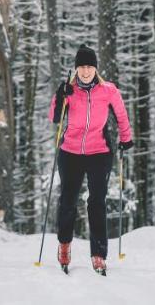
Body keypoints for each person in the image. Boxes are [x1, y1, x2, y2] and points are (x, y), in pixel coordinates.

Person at [48, 44, 133, 275]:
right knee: (68, 201)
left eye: (89, 67)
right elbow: (54, 118)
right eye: (82, 67)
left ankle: (98, 255)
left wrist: (126, 138)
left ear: (96, 68)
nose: (85, 71)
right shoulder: (68, 89)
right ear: (76, 69)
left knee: (96, 202)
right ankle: (64, 244)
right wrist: (60, 95)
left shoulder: (108, 91)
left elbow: (121, 115)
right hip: (70, 152)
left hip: (99, 152)